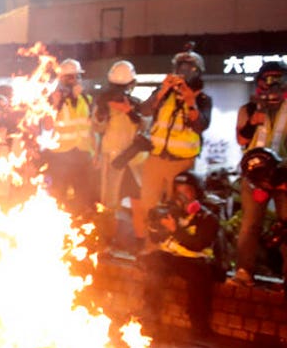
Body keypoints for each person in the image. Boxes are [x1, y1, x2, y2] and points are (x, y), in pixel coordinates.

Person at [135, 45, 212, 249]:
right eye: (181, 67)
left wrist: (190, 101)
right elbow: (143, 110)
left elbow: (201, 125)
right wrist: (162, 91)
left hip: (181, 164)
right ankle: (150, 251)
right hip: (156, 158)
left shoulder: (202, 99)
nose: (184, 72)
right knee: (148, 205)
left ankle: (172, 251)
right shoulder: (164, 93)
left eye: (189, 68)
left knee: (176, 209)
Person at [141, 171, 219, 337]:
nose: (182, 196)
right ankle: (150, 316)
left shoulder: (207, 217)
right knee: (153, 267)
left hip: (194, 260)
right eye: (178, 191)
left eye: (187, 191)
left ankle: (199, 325)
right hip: (171, 257)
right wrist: (155, 224)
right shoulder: (171, 212)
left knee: (199, 279)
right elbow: (156, 239)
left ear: (197, 193)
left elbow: (198, 244)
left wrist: (175, 230)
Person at [231, 60, 287, 285]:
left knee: (285, 226)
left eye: (277, 80)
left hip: (284, 175)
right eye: (267, 80)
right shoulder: (248, 109)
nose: (271, 86)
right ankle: (243, 272)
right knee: (250, 225)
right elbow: (242, 139)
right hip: (254, 177)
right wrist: (253, 121)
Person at [43, 59, 97, 215]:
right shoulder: (53, 100)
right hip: (61, 156)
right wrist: (55, 104)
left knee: (83, 197)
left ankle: (80, 227)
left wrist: (95, 152)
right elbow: (47, 126)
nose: (74, 80)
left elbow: (92, 128)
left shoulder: (86, 99)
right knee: (57, 195)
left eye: (76, 77)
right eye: (70, 77)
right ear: (62, 79)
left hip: (83, 154)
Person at [92, 60, 144, 212]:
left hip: (133, 159)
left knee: (139, 200)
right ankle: (107, 233)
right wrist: (102, 112)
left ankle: (139, 234)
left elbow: (145, 125)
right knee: (109, 202)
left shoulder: (136, 104)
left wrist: (129, 111)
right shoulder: (104, 103)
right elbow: (97, 127)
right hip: (113, 159)